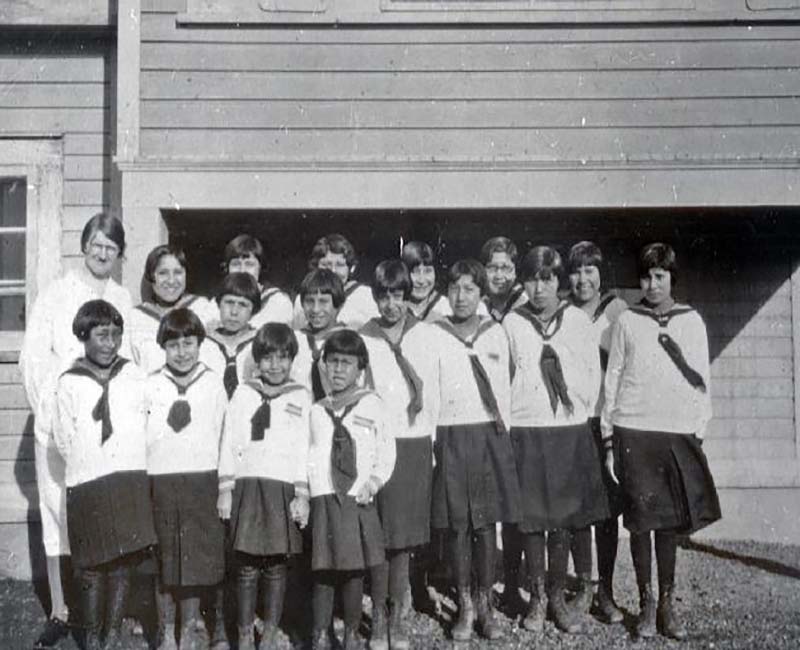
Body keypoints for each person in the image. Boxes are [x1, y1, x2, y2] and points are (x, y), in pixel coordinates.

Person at [19, 212, 133, 649]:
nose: (103, 253)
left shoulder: (122, 296)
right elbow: (33, 358)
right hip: (60, 414)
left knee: (101, 508)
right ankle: (60, 609)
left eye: (112, 247)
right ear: (84, 246)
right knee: (57, 507)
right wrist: (52, 408)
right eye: (96, 244)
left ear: (119, 254)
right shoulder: (56, 294)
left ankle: (99, 611)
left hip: (106, 422)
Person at [602, 242, 721, 640]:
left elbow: (700, 379)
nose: (652, 285)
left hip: (674, 433)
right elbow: (613, 377)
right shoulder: (627, 321)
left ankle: (668, 602)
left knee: (668, 524)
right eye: (646, 277)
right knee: (640, 522)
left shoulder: (691, 321)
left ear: (671, 278)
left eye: (660, 277)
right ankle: (646, 603)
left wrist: (697, 429)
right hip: (633, 430)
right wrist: (608, 435)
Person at [502, 246, 610, 634]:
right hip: (528, 430)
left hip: (567, 430)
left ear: (558, 281)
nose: (539, 287)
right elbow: (507, 376)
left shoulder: (577, 321)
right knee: (532, 519)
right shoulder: (512, 323)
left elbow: (590, 375)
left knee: (562, 519)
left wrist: (571, 407)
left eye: (547, 278)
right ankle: (537, 599)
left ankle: (559, 598)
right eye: (532, 279)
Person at [53, 300, 156, 650]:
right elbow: (63, 437)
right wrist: (90, 463)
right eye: (101, 335)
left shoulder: (134, 375)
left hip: (127, 477)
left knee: (122, 560)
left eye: (115, 335)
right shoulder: (69, 382)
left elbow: (146, 420)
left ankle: (112, 633)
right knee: (93, 564)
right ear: (84, 336)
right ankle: (92, 636)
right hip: (88, 481)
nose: (110, 343)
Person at [431, 259, 521, 642]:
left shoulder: (495, 333)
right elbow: (430, 388)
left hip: (487, 434)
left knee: (485, 523)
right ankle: (464, 604)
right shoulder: (433, 333)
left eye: (470, 289)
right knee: (458, 524)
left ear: (482, 295)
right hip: (451, 434)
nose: (461, 296)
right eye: (454, 289)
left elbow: (508, 384)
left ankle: (486, 604)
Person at [360, 260, 441, 650]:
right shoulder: (364, 337)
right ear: (375, 298)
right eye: (384, 296)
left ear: (408, 297)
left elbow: (436, 393)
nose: (391, 304)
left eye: (398, 295)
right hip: (378, 444)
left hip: (413, 442)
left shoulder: (426, 335)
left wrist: (433, 441)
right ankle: (377, 613)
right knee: (378, 533)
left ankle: (398, 613)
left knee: (403, 536)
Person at [219, 323, 312, 650]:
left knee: (275, 565)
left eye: (283, 357)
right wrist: (225, 486)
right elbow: (229, 440)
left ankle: (269, 632)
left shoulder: (300, 396)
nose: (275, 365)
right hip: (248, 487)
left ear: (292, 360)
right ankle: (245, 633)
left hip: (282, 489)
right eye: (268, 358)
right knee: (246, 565)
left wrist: (302, 492)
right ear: (257, 360)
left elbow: (304, 446)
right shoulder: (243, 393)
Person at [145, 309, 229, 650]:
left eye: (189, 343)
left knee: (194, 557)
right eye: (173, 344)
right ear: (163, 347)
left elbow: (224, 435)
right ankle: (166, 629)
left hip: (201, 481)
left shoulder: (212, 383)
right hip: (162, 479)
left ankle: (189, 628)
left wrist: (224, 486)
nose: (182, 351)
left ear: (200, 344)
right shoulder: (150, 384)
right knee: (166, 555)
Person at [307, 330, 395, 650]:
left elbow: (386, 450)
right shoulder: (316, 410)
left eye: (347, 363)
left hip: (357, 497)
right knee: (323, 566)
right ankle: (320, 632)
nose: (339, 369)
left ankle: (352, 631)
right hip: (324, 498)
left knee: (354, 568)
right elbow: (310, 453)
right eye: (333, 362)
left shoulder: (372, 404)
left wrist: (374, 481)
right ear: (324, 366)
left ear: (360, 368)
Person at [566, 241, 628, 622]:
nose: (583, 278)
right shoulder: (562, 313)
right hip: (572, 422)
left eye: (590, 270)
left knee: (607, 509)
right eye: (576, 271)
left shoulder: (618, 312)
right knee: (576, 507)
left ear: (602, 274)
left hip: (605, 420)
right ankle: (583, 586)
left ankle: (606, 590)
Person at [129, 244, 217, 374]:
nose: (171, 281)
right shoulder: (136, 317)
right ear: (151, 277)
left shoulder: (202, 308)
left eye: (178, 272)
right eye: (163, 273)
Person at [292, 234, 377, 330]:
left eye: (340, 265)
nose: (333, 271)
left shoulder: (365, 295)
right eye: (326, 264)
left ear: (351, 268)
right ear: (316, 267)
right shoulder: (304, 298)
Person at [200, 272, 262, 400]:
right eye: (229, 302)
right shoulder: (204, 342)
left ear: (253, 310)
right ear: (218, 304)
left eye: (243, 305)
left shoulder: (260, 343)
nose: (234, 312)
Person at [291, 269, 348, 401]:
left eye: (323, 302)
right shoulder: (293, 340)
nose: (316, 309)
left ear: (338, 304)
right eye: (309, 301)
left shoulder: (351, 341)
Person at [400, 241, 488, 322]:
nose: (422, 280)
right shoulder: (396, 308)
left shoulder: (449, 306)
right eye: (415, 272)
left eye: (428, 271)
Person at [221, 234, 293, 328]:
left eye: (249, 264)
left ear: (260, 268)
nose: (242, 271)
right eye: (236, 264)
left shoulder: (277, 302)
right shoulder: (217, 302)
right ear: (227, 268)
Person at [479, 236, 528, 323]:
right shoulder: (480, 306)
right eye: (492, 268)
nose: (499, 275)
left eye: (505, 268)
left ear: (515, 272)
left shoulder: (527, 304)